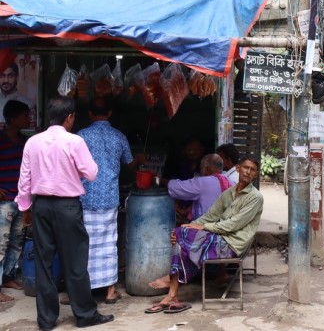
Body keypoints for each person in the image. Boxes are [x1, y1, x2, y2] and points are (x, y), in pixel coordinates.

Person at [15, 96, 114, 330]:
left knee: (44, 262)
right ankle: (85, 315)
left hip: (41, 207)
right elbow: (91, 173)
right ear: (70, 117)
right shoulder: (75, 142)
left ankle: (47, 320)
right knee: (75, 263)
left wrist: (25, 208)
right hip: (68, 207)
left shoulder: (32, 142)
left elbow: (24, 180)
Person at [144, 155, 264, 314]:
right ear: (238, 168)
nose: (248, 172)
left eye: (252, 170)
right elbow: (210, 215)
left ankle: (172, 282)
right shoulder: (228, 193)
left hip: (231, 245)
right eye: (245, 167)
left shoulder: (255, 197)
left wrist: (199, 227)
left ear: (256, 174)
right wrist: (189, 225)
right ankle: (172, 295)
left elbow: (232, 225)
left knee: (181, 235)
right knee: (181, 234)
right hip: (220, 239)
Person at [77, 98, 143, 304]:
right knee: (108, 243)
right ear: (110, 113)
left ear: (89, 113)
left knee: (84, 243)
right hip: (109, 197)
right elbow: (130, 164)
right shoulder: (119, 136)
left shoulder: (81, 137)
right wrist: (139, 160)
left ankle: (83, 290)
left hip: (85, 197)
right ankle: (110, 291)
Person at [0, 100, 30, 302]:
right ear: (12, 118)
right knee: (1, 244)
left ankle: (8, 277)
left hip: (20, 199)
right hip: (4, 202)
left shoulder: (24, 140)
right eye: (24, 115)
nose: (28, 119)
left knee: (16, 242)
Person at [167, 154, 233, 223]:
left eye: (201, 168)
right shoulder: (230, 182)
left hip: (205, 228)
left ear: (207, 169)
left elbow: (174, 187)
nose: (201, 172)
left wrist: (161, 180)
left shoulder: (203, 182)